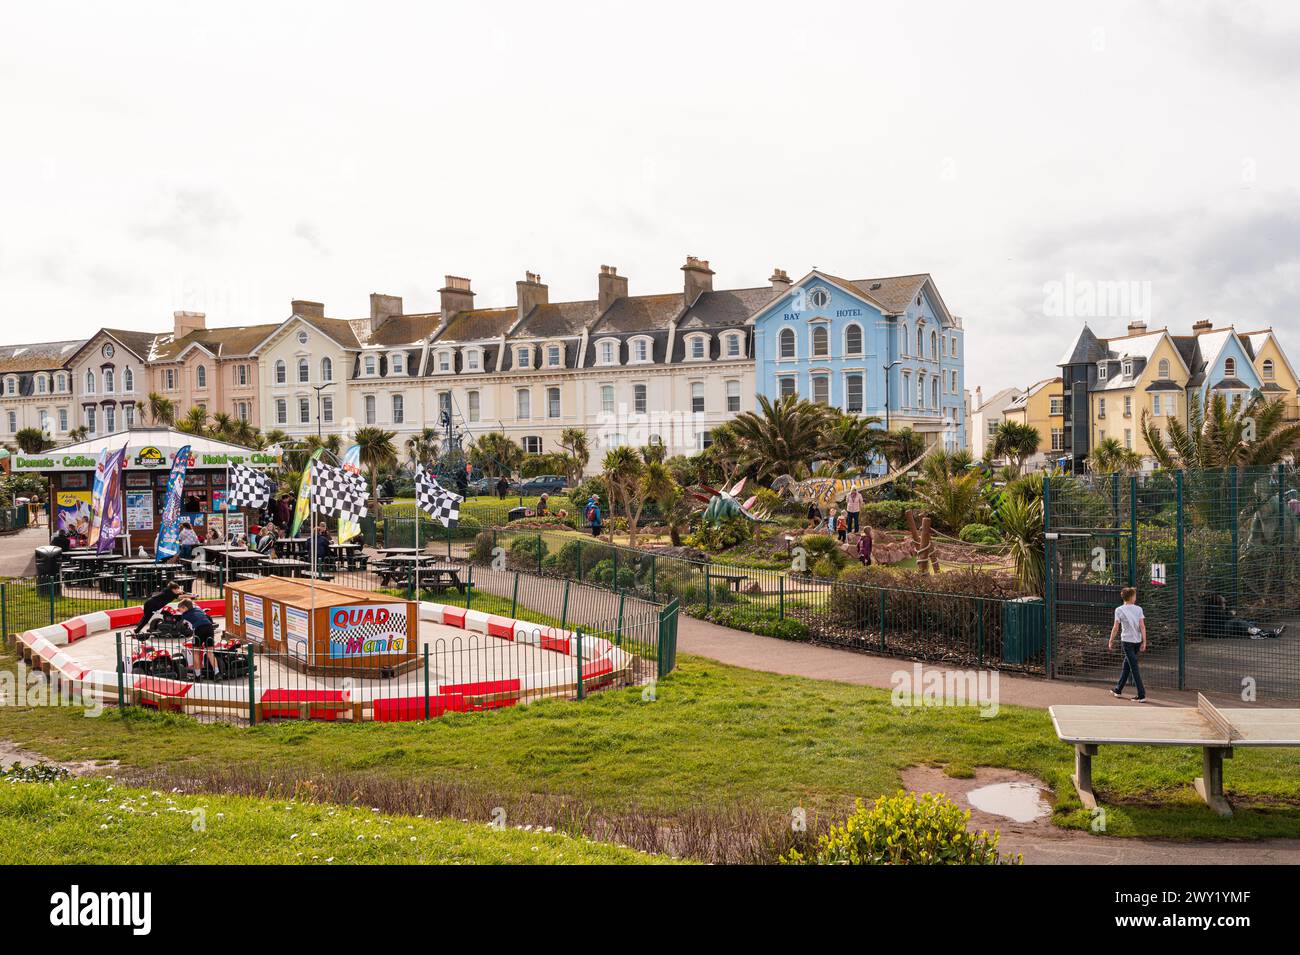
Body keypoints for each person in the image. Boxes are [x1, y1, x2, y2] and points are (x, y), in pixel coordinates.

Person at [1109, 586, 1147, 702]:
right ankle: (1118, 689)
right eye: (1134, 595)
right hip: (1136, 641)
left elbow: (1116, 627)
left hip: (1127, 642)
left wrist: (1111, 640)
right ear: (1131, 597)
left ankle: (1141, 695)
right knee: (1127, 665)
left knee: (1133, 667)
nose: (1135, 597)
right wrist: (1144, 641)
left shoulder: (1119, 610)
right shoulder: (1138, 609)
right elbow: (1142, 626)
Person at [1203, 594, 1285, 640]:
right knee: (1237, 622)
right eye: (1224, 602)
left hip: (1221, 628)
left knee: (1247, 623)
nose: (1225, 604)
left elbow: (1223, 618)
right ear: (1218, 602)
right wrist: (1231, 614)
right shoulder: (1213, 609)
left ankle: (1260, 633)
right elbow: (1224, 618)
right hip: (1218, 632)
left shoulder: (1215, 608)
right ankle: (1264, 633)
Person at [177, 598, 220, 678]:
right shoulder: (198, 609)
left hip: (199, 629)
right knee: (210, 652)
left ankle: (197, 675)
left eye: (180, 609)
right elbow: (208, 618)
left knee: (195, 652)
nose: (180, 611)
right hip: (209, 628)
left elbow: (184, 627)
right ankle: (217, 673)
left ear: (185, 608)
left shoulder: (185, 615)